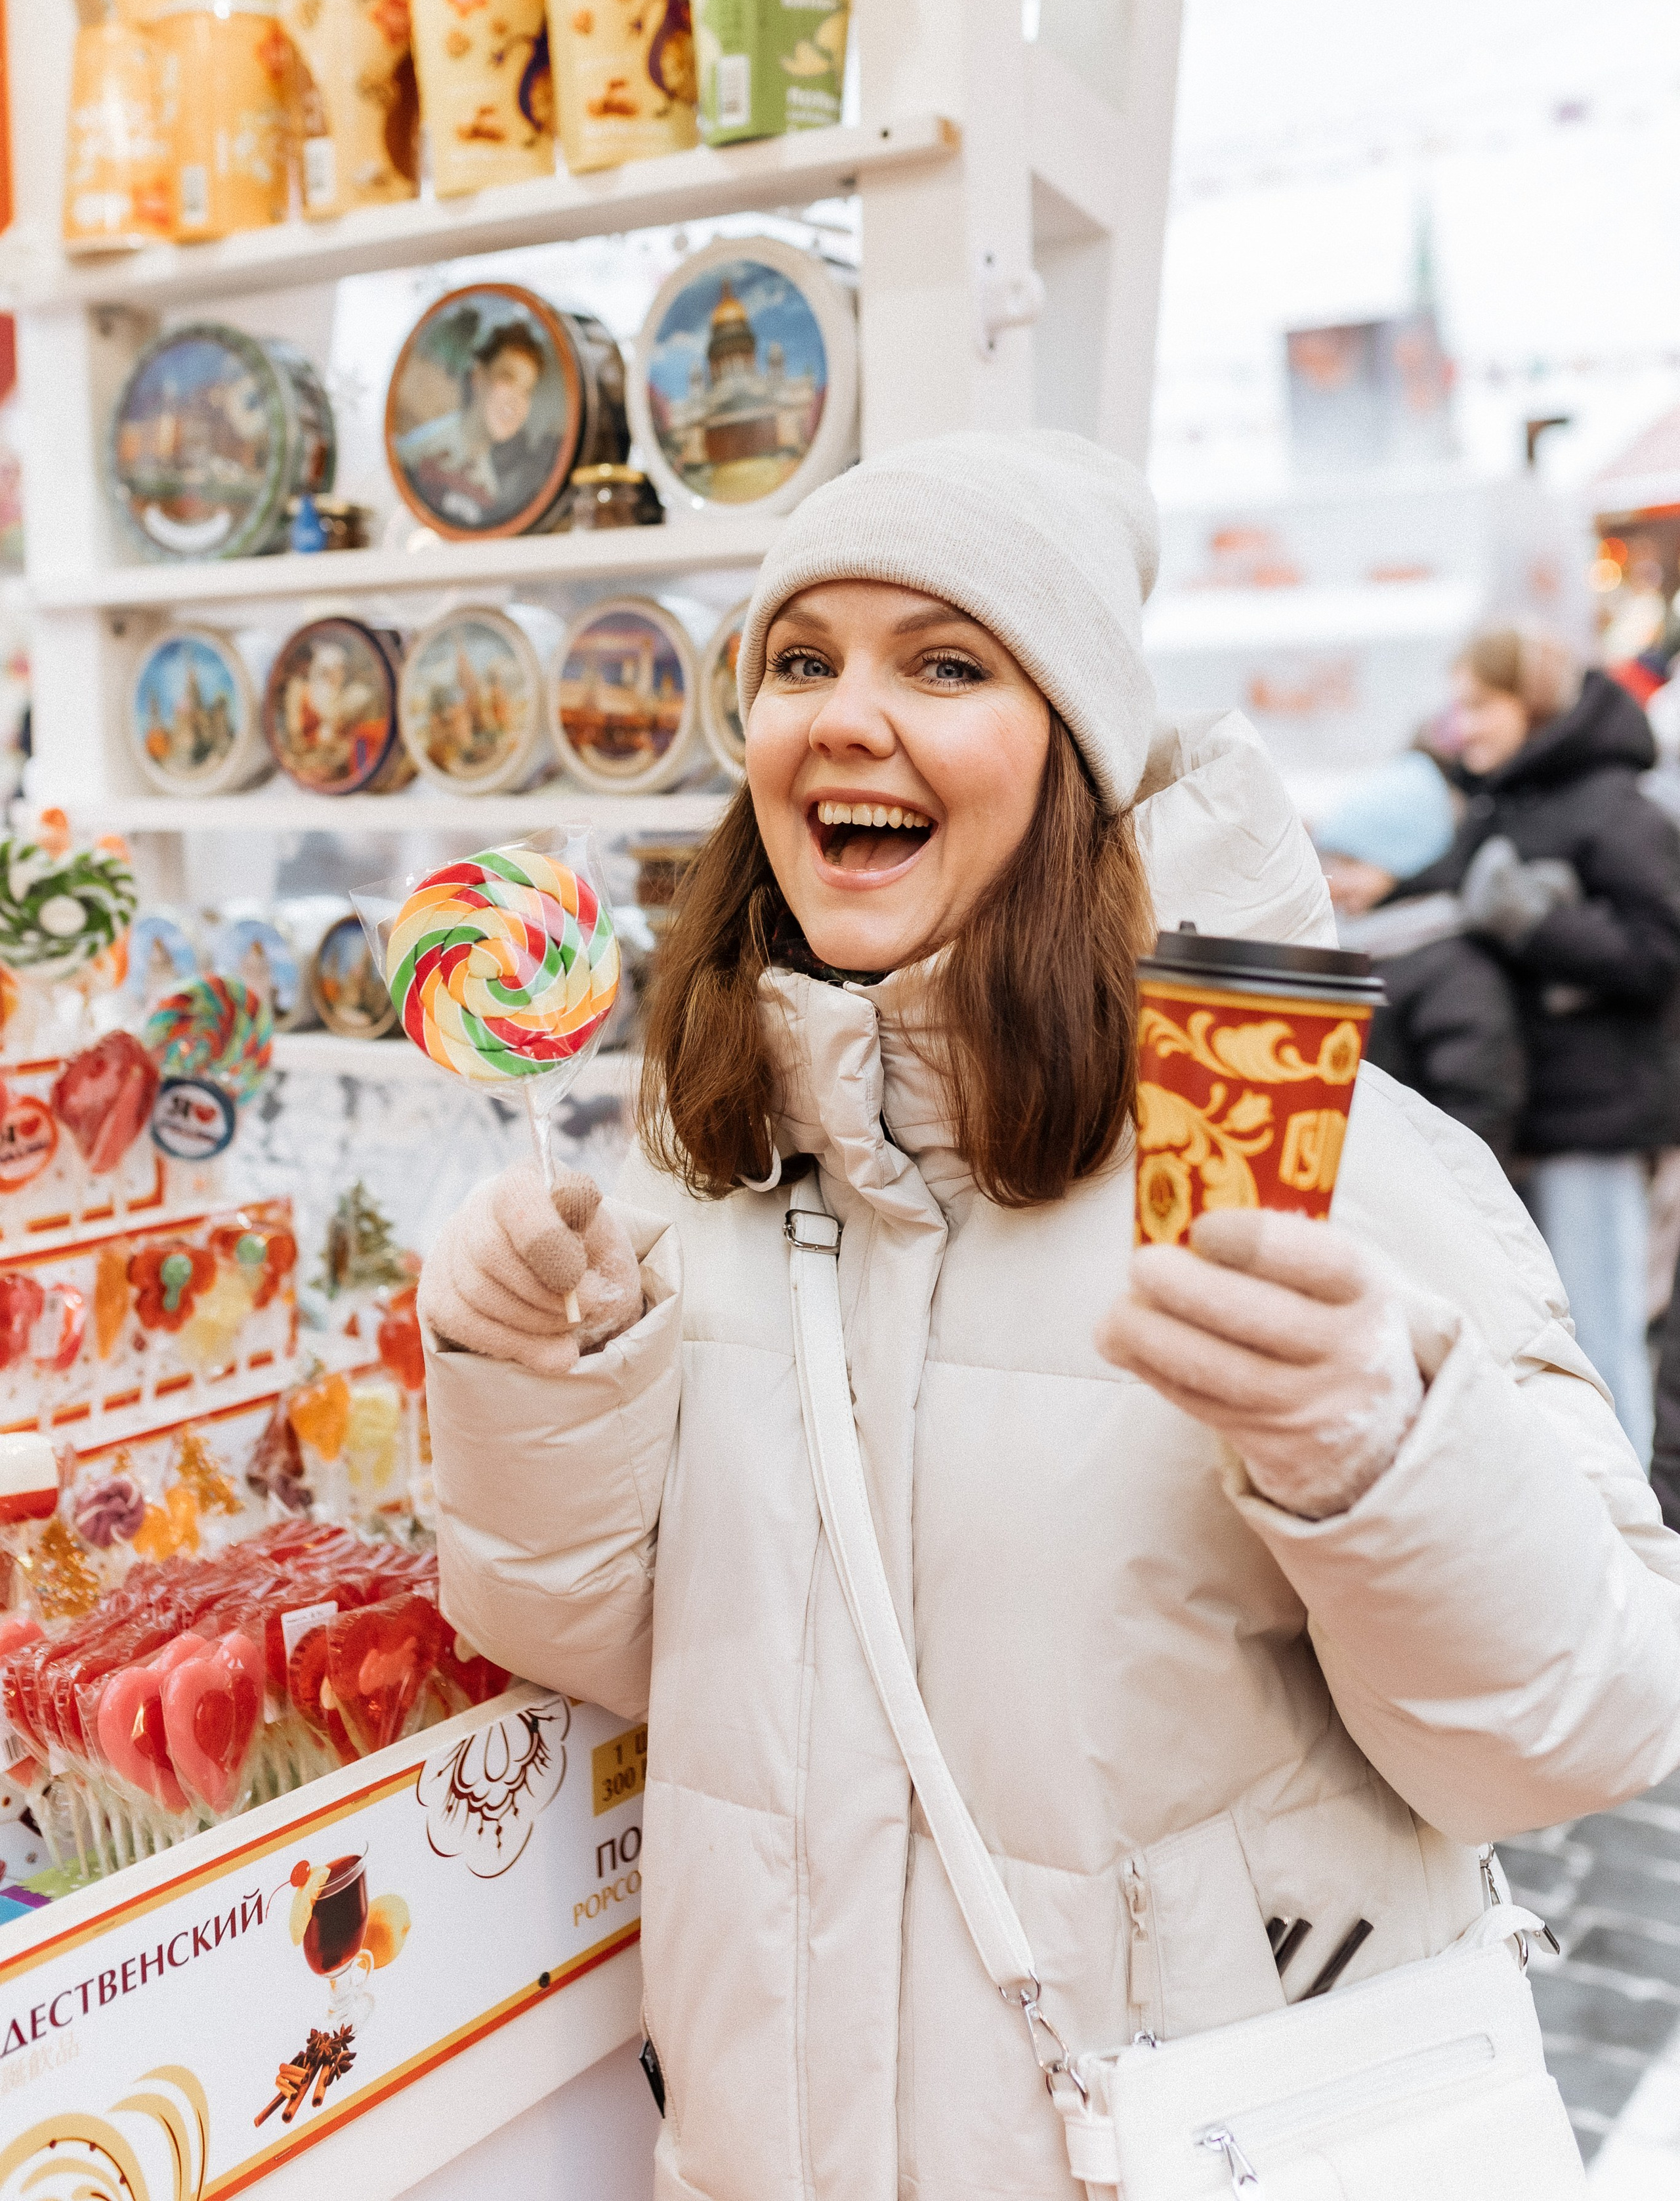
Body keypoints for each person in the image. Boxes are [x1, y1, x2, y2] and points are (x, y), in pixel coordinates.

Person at [419, 435, 1680, 2201]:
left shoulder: (1292, 1158)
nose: (848, 716)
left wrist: (1382, 1460)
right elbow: (613, 1657)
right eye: (803, 661)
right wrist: (532, 1383)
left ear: (1076, 757)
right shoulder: (691, 1163)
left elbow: (1582, 1728)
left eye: (946, 664)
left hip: (1192, 2152)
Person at [1396, 624, 1680, 1466]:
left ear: (1534, 704)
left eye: (1480, 705)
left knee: (1602, 1337)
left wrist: (1538, 923)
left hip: (1597, 1121)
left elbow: (1661, 948)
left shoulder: (1611, 806)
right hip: (1533, 1117)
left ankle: (1633, 1538)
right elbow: (1452, 898)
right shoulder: (1508, 802)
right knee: (1555, 1336)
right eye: (1457, 709)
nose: (1463, 727)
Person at [1314, 752, 1527, 1159]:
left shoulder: (1454, 970)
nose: (1335, 883)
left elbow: (1479, 1105)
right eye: (1332, 862)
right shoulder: (1372, 950)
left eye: (1353, 863)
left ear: (1407, 861)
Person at [395, 322, 560, 530]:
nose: (516, 401)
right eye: (508, 379)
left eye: (527, 391)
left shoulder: (491, 489)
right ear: (479, 377)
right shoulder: (414, 452)